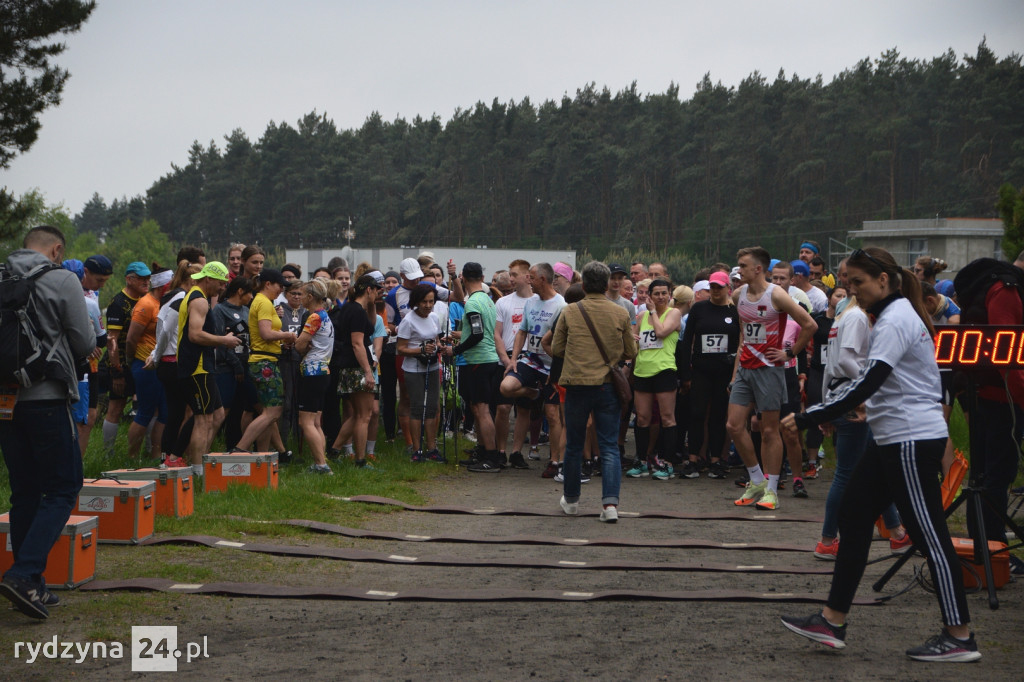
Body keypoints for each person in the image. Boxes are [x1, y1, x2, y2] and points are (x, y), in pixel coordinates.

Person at [780, 246, 979, 662]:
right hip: (891, 438)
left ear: (884, 280)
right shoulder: (891, 315)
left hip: (909, 439)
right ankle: (832, 620)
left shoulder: (896, 318)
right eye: (848, 283)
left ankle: (959, 635)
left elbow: (870, 381)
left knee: (930, 535)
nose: (852, 290)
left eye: (859, 283)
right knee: (854, 514)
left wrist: (808, 416)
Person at [0, 225, 96, 619]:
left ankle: (33, 585)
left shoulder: (1, 277)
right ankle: (23, 574)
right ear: (56, 250)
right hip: (46, 398)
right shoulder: (61, 279)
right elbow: (85, 344)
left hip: (6, 404)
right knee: (63, 488)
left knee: (24, 491)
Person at [810, 288, 910, 559]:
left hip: (844, 399)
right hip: (854, 404)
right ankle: (827, 541)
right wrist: (870, 387)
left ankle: (897, 532)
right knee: (846, 474)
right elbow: (843, 361)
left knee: (874, 469)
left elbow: (831, 365)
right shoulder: (855, 317)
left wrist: (828, 405)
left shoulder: (845, 316)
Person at [727, 247, 816, 512]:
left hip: (770, 369)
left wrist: (789, 352)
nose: (738, 270)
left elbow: (809, 325)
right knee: (733, 425)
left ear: (757, 269)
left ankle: (771, 489)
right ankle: (756, 479)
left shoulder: (776, 294)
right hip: (746, 368)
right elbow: (745, 331)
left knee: (768, 431)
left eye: (743, 266)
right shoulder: (737, 294)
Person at [551, 261, 637, 522]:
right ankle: (610, 505)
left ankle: (572, 500)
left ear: (584, 284)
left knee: (575, 445)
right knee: (609, 446)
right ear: (608, 283)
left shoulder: (570, 311)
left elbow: (556, 348)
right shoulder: (620, 312)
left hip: (577, 385)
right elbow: (631, 352)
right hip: (607, 385)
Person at [499, 263, 567, 471]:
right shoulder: (531, 302)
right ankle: (533, 393)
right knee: (506, 387)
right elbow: (522, 332)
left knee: (553, 414)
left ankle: (555, 460)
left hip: (552, 365)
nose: (529, 281)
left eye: (532, 277)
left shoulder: (561, 305)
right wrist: (513, 359)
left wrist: (557, 368)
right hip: (532, 359)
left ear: (543, 280)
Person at [177, 262, 241, 473]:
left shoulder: (198, 297)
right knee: (203, 419)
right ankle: (196, 470)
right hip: (197, 368)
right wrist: (224, 340)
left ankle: (200, 460)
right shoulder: (199, 301)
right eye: (221, 283)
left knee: (218, 415)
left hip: (204, 367)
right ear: (209, 279)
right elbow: (194, 335)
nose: (223, 288)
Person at [677, 271, 739, 480]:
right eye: (712, 286)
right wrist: (685, 373)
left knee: (718, 416)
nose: (715, 290)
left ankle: (715, 460)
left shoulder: (734, 311)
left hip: (724, 371)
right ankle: (693, 458)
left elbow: (740, 342)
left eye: (719, 287)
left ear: (727, 288)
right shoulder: (699, 309)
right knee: (697, 414)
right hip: (701, 370)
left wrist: (734, 375)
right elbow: (687, 342)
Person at [234, 269, 297, 453]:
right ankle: (241, 449)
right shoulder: (263, 302)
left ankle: (263, 455)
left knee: (268, 411)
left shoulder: (264, 302)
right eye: (280, 286)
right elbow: (265, 333)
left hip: (265, 359)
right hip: (264, 362)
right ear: (268, 284)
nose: (282, 291)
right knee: (273, 411)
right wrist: (288, 335)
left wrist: (280, 340)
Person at [451, 263, 503, 472]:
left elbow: (477, 333)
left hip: (479, 360)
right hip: (485, 360)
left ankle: (491, 456)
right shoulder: (488, 300)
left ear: (462, 277)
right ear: (482, 276)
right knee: (477, 407)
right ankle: (482, 451)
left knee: (482, 409)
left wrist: (455, 351)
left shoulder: (473, 303)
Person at [100, 261, 151, 454]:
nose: (146, 282)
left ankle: (148, 452)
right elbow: (111, 340)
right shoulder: (118, 303)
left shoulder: (146, 299)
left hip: (139, 361)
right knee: (116, 407)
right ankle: (108, 454)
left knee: (148, 406)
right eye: (141, 278)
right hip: (120, 363)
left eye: (148, 278)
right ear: (129, 279)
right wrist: (117, 372)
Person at [125, 265, 173, 460]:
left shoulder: (163, 302)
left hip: (159, 364)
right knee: (145, 413)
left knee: (164, 412)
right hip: (145, 365)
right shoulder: (146, 304)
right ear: (163, 285)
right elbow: (130, 338)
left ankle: (156, 456)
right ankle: (131, 457)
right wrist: (132, 362)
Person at [397, 283, 445, 462]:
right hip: (413, 369)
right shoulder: (408, 321)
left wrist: (439, 346)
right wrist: (421, 350)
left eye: (431, 301)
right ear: (416, 301)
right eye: (424, 301)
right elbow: (400, 349)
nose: (428, 305)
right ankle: (416, 450)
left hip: (432, 366)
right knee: (417, 408)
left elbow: (436, 339)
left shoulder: (434, 318)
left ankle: (432, 448)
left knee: (432, 407)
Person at [294, 278, 336, 473]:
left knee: (306, 421)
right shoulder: (326, 315)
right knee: (316, 422)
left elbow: (300, 344)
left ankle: (321, 464)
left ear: (310, 297)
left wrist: (298, 346)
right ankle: (321, 461)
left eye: (302, 294)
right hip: (323, 371)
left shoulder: (314, 317)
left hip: (312, 371)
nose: (299, 297)